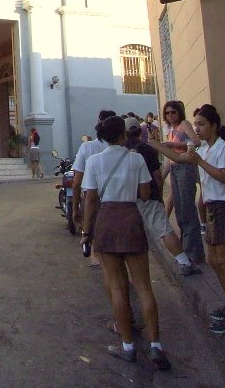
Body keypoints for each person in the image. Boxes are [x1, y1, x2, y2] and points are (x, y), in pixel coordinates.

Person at [80, 115, 171, 370]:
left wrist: (87, 232)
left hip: (107, 221)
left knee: (117, 287)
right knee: (143, 285)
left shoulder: (94, 161)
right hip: (131, 219)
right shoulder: (136, 158)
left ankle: (128, 346)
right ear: (122, 135)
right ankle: (156, 346)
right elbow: (145, 192)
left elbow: (90, 199)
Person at [155, 104, 225, 333]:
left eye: (201, 124)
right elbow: (181, 158)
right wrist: (154, 144)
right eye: (195, 124)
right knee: (215, 261)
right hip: (213, 209)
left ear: (214, 126)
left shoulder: (223, 149)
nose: (196, 128)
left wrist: (199, 162)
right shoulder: (205, 148)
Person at [125, 121, 200, 277]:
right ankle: (184, 262)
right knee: (164, 230)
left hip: (127, 198)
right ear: (140, 132)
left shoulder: (122, 151)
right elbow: (157, 176)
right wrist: (158, 195)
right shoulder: (147, 149)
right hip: (149, 195)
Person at [161, 100, 203, 264]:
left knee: (187, 210)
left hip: (185, 167)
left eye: (173, 112)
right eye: (167, 113)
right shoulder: (170, 129)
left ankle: (194, 253)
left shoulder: (184, 124)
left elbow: (196, 142)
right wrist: (162, 176)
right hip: (175, 169)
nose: (170, 115)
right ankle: (186, 249)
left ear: (179, 113)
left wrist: (174, 144)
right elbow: (168, 158)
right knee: (180, 211)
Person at [71, 112, 115, 241]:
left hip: (93, 200)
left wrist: (75, 209)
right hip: (119, 203)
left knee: (94, 241)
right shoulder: (127, 152)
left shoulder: (87, 147)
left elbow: (76, 183)